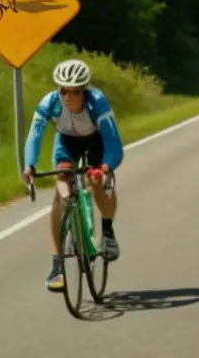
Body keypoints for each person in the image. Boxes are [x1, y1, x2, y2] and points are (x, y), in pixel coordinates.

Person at [22, 59, 124, 292]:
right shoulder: (50, 102)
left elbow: (114, 143)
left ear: (84, 91)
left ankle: (107, 231)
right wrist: (29, 165)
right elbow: (35, 136)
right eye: (63, 90)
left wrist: (105, 167)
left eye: (75, 92)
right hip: (67, 142)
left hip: (96, 141)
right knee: (62, 190)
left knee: (94, 181)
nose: (68, 97)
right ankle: (57, 264)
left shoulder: (96, 103)